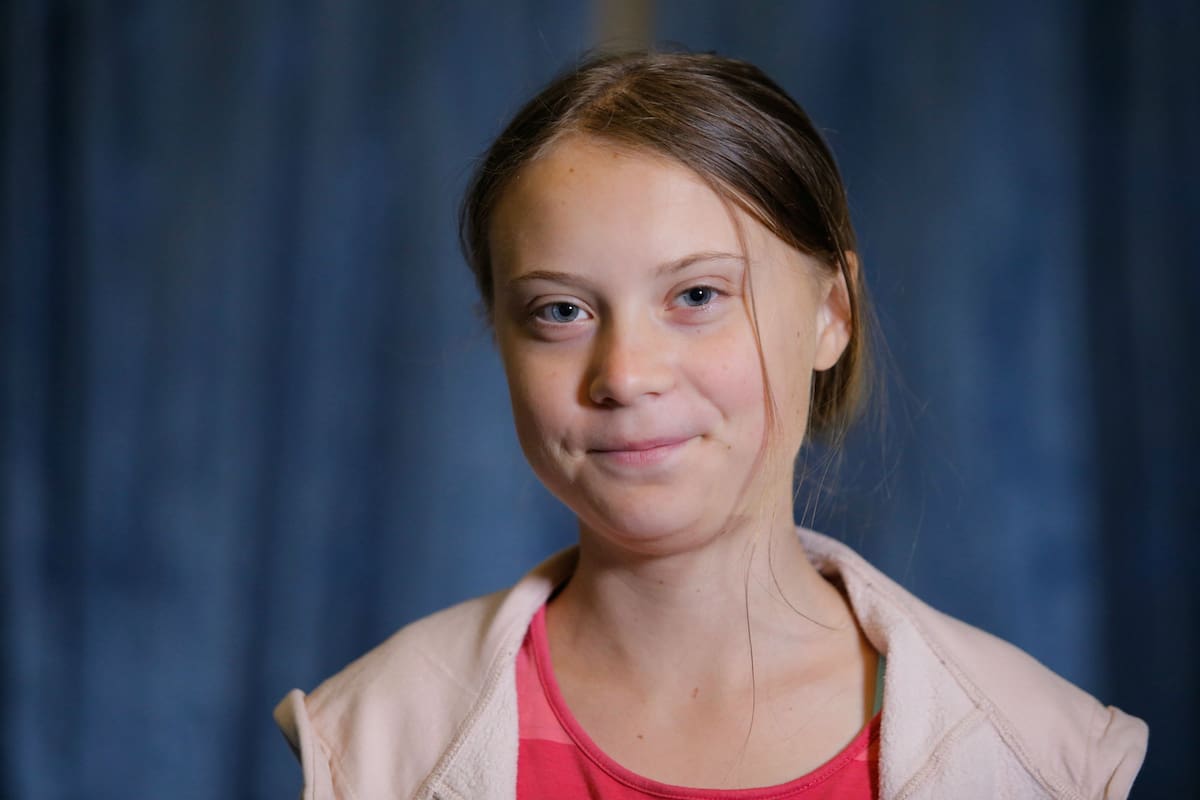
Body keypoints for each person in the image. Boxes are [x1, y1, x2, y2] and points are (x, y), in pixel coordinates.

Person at [274, 50, 1147, 799]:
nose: (625, 375)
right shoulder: (371, 743)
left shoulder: (1046, 755)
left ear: (831, 315)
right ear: (500, 334)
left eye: (697, 295)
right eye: (561, 310)